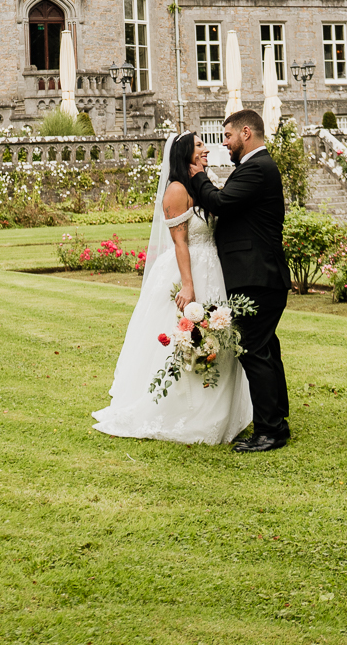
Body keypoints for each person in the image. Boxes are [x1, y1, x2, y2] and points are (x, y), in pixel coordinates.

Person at [92, 130, 255, 443]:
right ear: (185, 154)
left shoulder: (201, 183)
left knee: (217, 336)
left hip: (214, 269)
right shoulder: (177, 191)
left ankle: (219, 411)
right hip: (189, 270)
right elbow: (180, 243)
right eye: (198, 145)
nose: (206, 148)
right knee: (187, 338)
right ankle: (182, 410)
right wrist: (188, 287)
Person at [186, 108, 292, 453]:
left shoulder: (258, 168)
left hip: (258, 275)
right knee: (267, 349)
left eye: (228, 136)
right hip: (260, 274)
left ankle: (269, 432)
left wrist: (198, 175)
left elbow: (221, 203)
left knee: (254, 351)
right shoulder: (254, 168)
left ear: (246, 133)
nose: (225, 143)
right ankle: (277, 420)